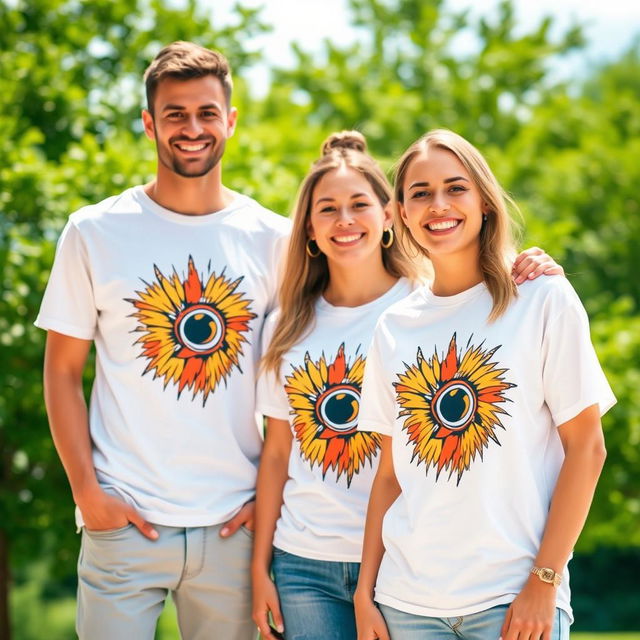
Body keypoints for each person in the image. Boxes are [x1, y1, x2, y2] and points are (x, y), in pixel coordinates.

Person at [251, 131, 563, 640]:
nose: (345, 220)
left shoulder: (426, 302)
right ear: (306, 229)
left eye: (359, 204)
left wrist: (529, 264)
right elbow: (278, 454)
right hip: (308, 559)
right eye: (327, 208)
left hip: (406, 566)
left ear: (388, 217)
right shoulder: (289, 324)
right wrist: (258, 568)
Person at [35, 41, 290, 640]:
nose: (192, 128)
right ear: (150, 123)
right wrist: (88, 495)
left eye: (206, 112)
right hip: (123, 522)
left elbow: (354, 317)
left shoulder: (274, 240)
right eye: (175, 114)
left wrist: (509, 268)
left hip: (235, 526)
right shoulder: (93, 231)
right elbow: (62, 372)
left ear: (230, 120)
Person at [354, 129, 615, 640]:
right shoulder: (393, 326)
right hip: (405, 606)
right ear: (401, 214)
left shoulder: (542, 299)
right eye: (420, 193)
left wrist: (545, 580)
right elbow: (389, 477)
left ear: (484, 201)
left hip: (514, 602)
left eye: (456, 188)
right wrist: (365, 594)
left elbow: (587, 448)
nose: (439, 205)